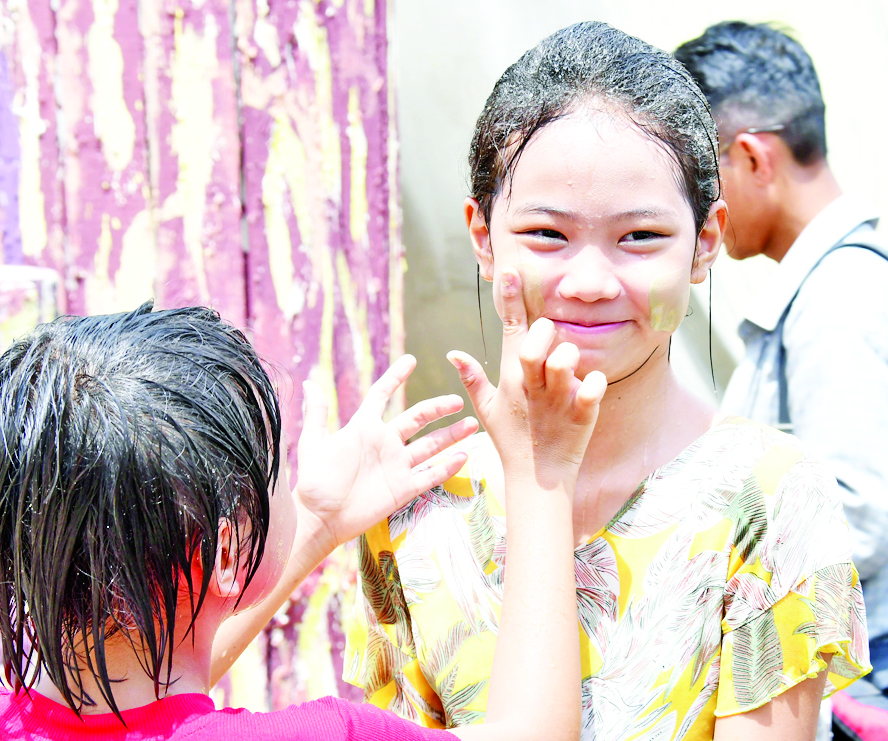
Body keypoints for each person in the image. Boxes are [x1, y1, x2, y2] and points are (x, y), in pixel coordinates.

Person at [342, 22, 870, 740]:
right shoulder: (416, 508)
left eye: (640, 237)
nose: (589, 281)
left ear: (704, 242)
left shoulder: (769, 495)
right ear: (481, 235)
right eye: (547, 235)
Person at [0, 299, 604, 740]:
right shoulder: (326, 734)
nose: (296, 475)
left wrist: (315, 520)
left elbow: (144, 705)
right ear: (229, 551)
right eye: (281, 469)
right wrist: (540, 468)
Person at [674, 19, 888, 707]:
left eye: (700, 176)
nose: (697, 206)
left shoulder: (837, 296)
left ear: (751, 157)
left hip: (856, 687)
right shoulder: (833, 286)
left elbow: (857, 521)